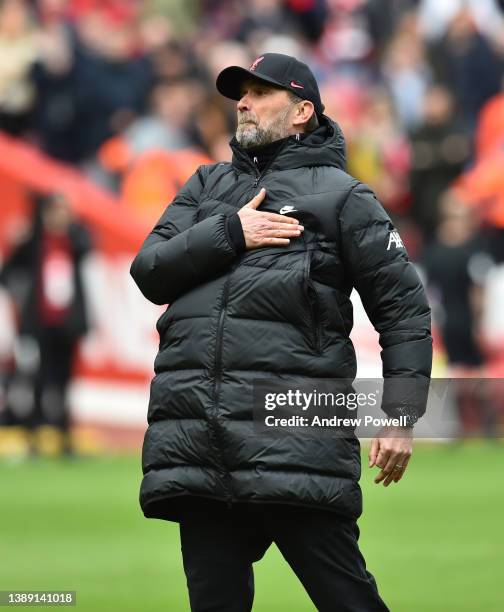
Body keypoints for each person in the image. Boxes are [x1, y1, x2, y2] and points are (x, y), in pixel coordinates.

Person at [131, 53, 432, 611]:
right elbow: (149, 271)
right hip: (202, 442)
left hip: (293, 438)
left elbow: (403, 310)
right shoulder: (206, 186)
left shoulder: (345, 197)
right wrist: (230, 230)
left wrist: (401, 415)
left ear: (301, 112)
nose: (242, 102)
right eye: (238, 92)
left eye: (259, 92)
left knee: (350, 602)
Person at [0, 193, 91, 454]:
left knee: (64, 381)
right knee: (37, 380)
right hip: (38, 324)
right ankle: (35, 435)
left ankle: (63, 436)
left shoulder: (72, 241)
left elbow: (86, 244)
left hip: (67, 324)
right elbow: (7, 272)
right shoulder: (35, 242)